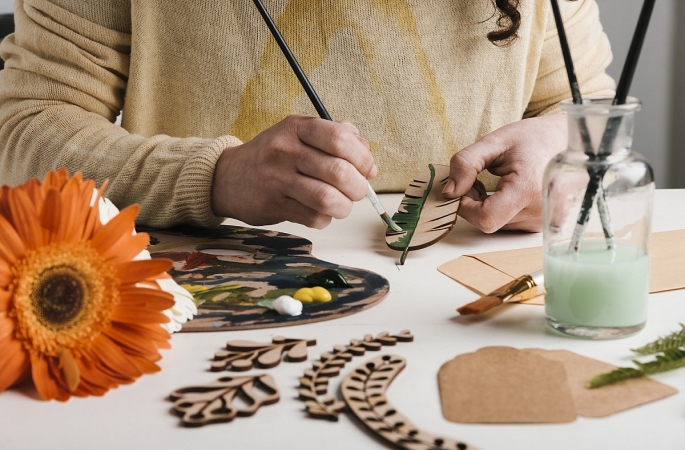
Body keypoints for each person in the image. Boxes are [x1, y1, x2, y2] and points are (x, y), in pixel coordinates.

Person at [0, 0, 614, 232]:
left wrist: (564, 150)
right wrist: (216, 177)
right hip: (205, 312)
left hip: (470, 314)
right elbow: (24, 131)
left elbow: (594, 112)